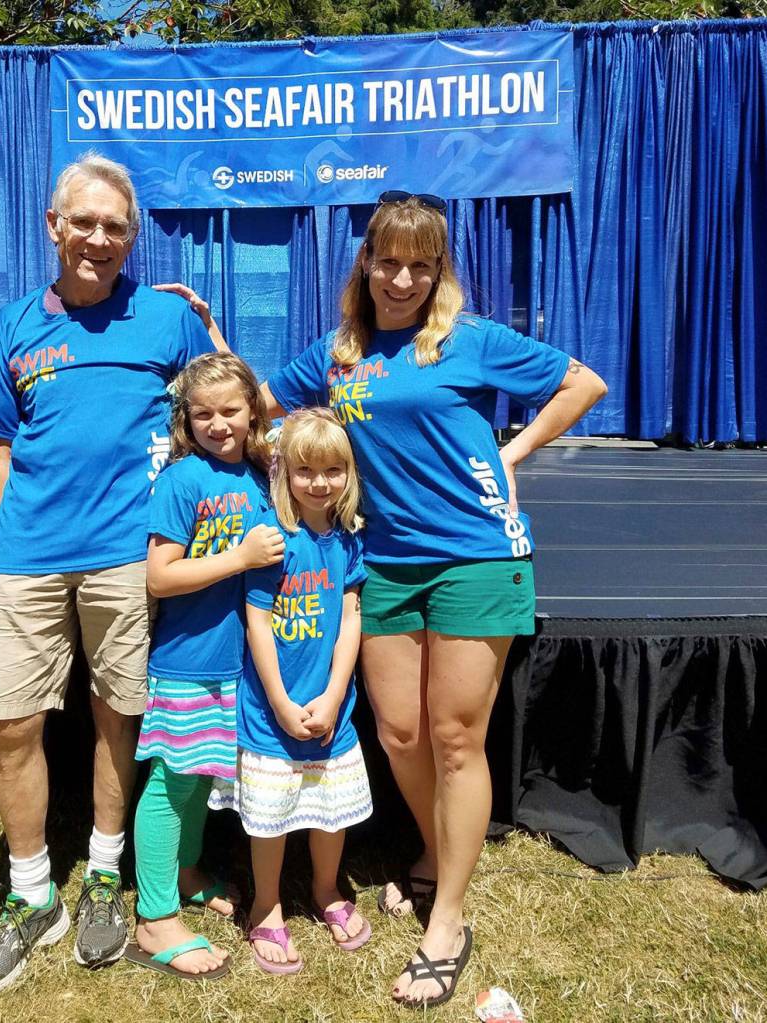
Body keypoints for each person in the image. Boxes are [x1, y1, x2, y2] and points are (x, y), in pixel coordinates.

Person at [259, 192, 607, 1008]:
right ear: (365, 263)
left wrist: (512, 451)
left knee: (453, 738)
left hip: (475, 559)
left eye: (420, 264)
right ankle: (433, 849)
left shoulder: (466, 338)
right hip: (381, 560)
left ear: (438, 268)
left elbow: (580, 382)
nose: (402, 278)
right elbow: (261, 406)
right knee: (400, 732)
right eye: (388, 261)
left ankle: (446, 920)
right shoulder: (337, 354)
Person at [0, 154, 221, 995]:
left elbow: (225, 405)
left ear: (131, 237)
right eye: (84, 222)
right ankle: (32, 893)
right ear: (54, 226)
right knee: (11, 724)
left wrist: (212, 330)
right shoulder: (12, 329)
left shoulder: (166, 320)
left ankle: (105, 873)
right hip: (28, 557)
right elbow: (4, 453)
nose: (98, 239)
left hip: (126, 556)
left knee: (119, 716)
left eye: (115, 226)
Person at [125, 352, 285, 979]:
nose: (219, 424)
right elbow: (160, 577)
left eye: (231, 411)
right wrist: (239, 558)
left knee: (198, 776)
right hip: (188, 661)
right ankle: (154, 916)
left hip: (238, 662)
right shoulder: (182, 480)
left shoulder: (260, 474)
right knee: (172, 783)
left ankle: (186, 871)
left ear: (253, 412)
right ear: (185, 421)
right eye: (203, 415)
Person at [210, 408, 373, 975]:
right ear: (285, 473)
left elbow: (350, 618)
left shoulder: (350, 540)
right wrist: (280, 703)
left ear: (348, 474)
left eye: (332, 470)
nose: (319, 482)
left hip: (330, 711)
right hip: (269, 715)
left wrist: (334, 695)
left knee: (330, 812)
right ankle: (266, 903)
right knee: (271, 816)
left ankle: (327, 889)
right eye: (306, 470)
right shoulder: (272, 538)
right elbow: (257, 623)